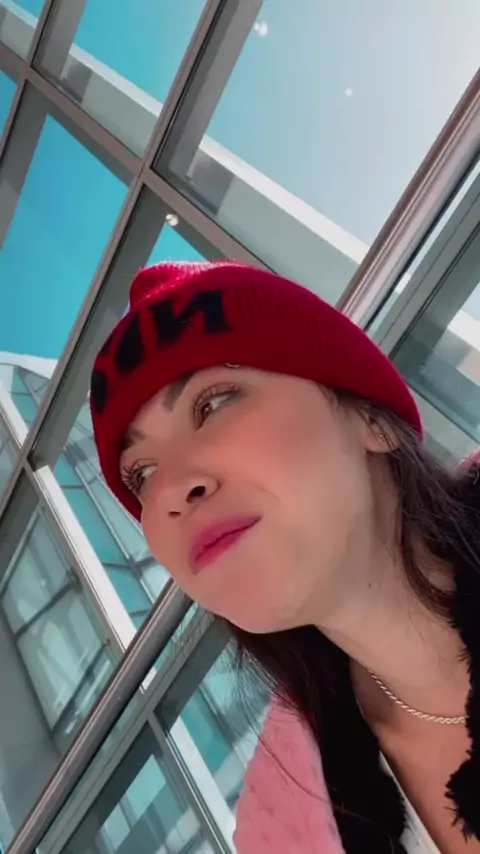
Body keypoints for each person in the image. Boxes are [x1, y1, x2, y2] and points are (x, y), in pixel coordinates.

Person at [90, 260, 480, 854]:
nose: (166, 491)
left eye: (213, 402)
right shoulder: (278, 827)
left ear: (372, 421)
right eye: (139, 474)